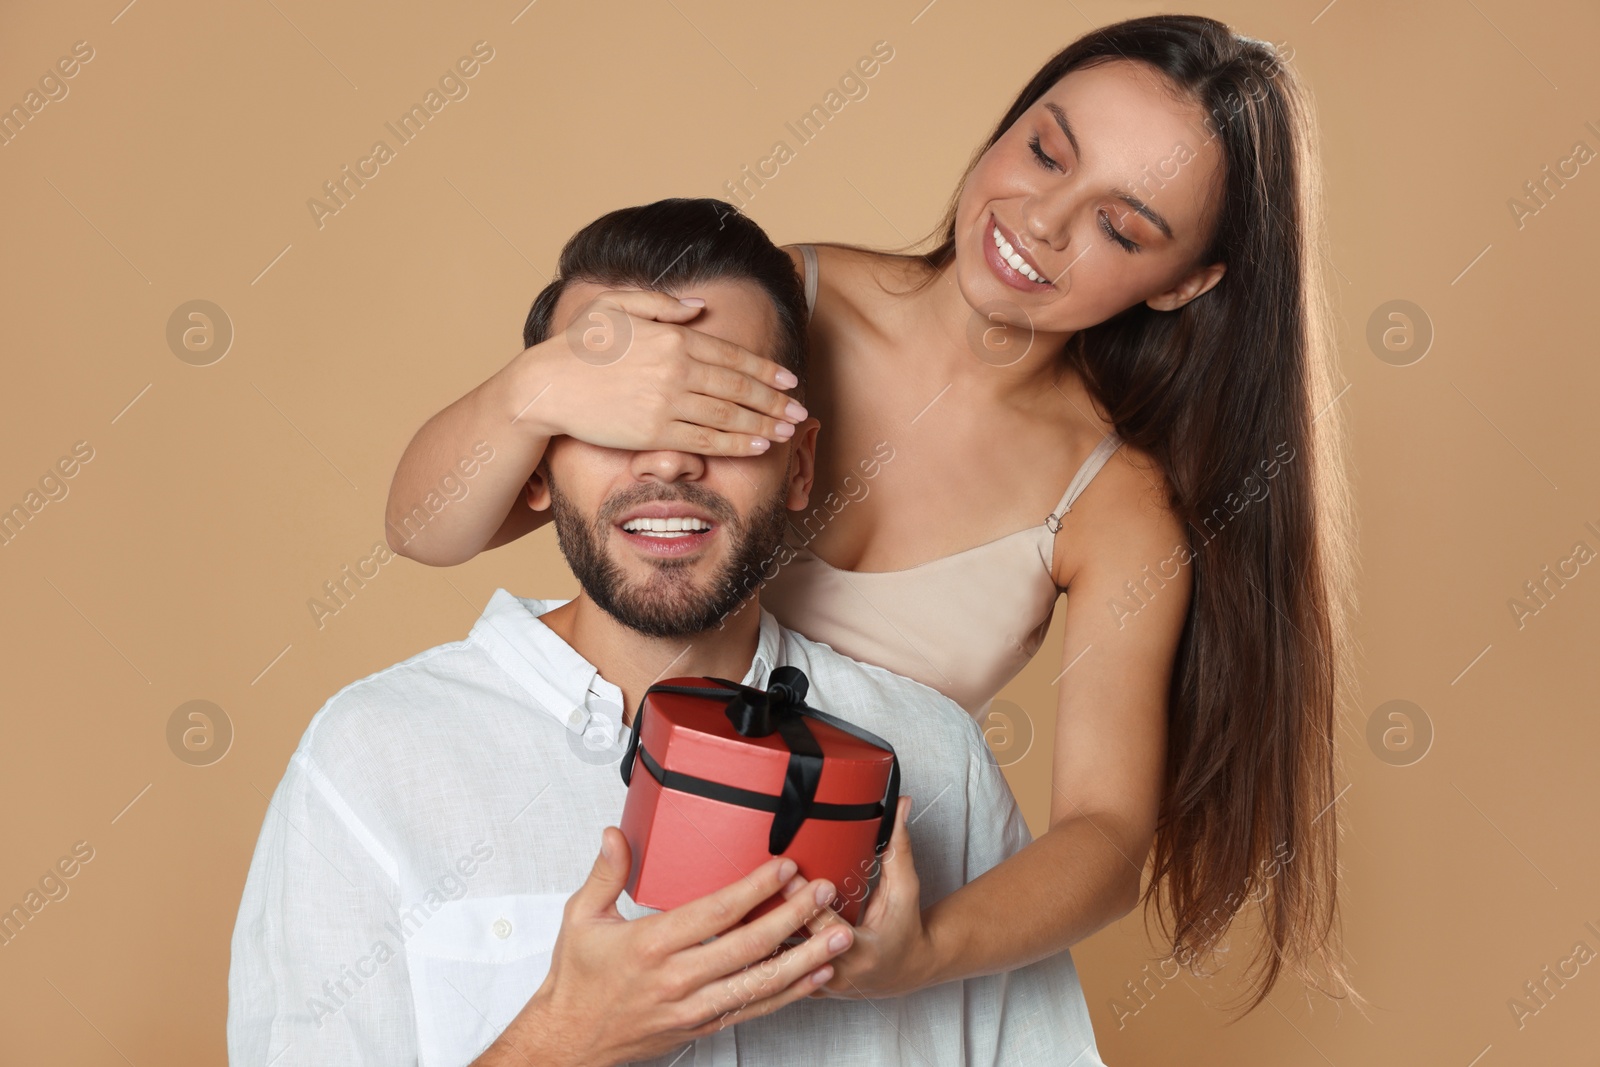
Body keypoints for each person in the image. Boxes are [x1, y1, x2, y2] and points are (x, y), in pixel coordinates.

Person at [384, 15, 1361, 1012]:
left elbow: (1107, 837)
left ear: (1183, 284)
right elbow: (428, 528)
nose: (1041, 219)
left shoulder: (1110, 503)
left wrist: (919, 950)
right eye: (1044, 150)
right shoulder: (781, 304)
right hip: (570, 850)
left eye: (1120, 225)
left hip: (822, 933)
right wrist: (533, 387)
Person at [228, 197, 1108, 1066]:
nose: (669, 459)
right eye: (619, 417)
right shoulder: (372, 761)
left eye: (723, 411)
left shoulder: (938, 760)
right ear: (536, 464)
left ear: (801, 466)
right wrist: (563, 1042)